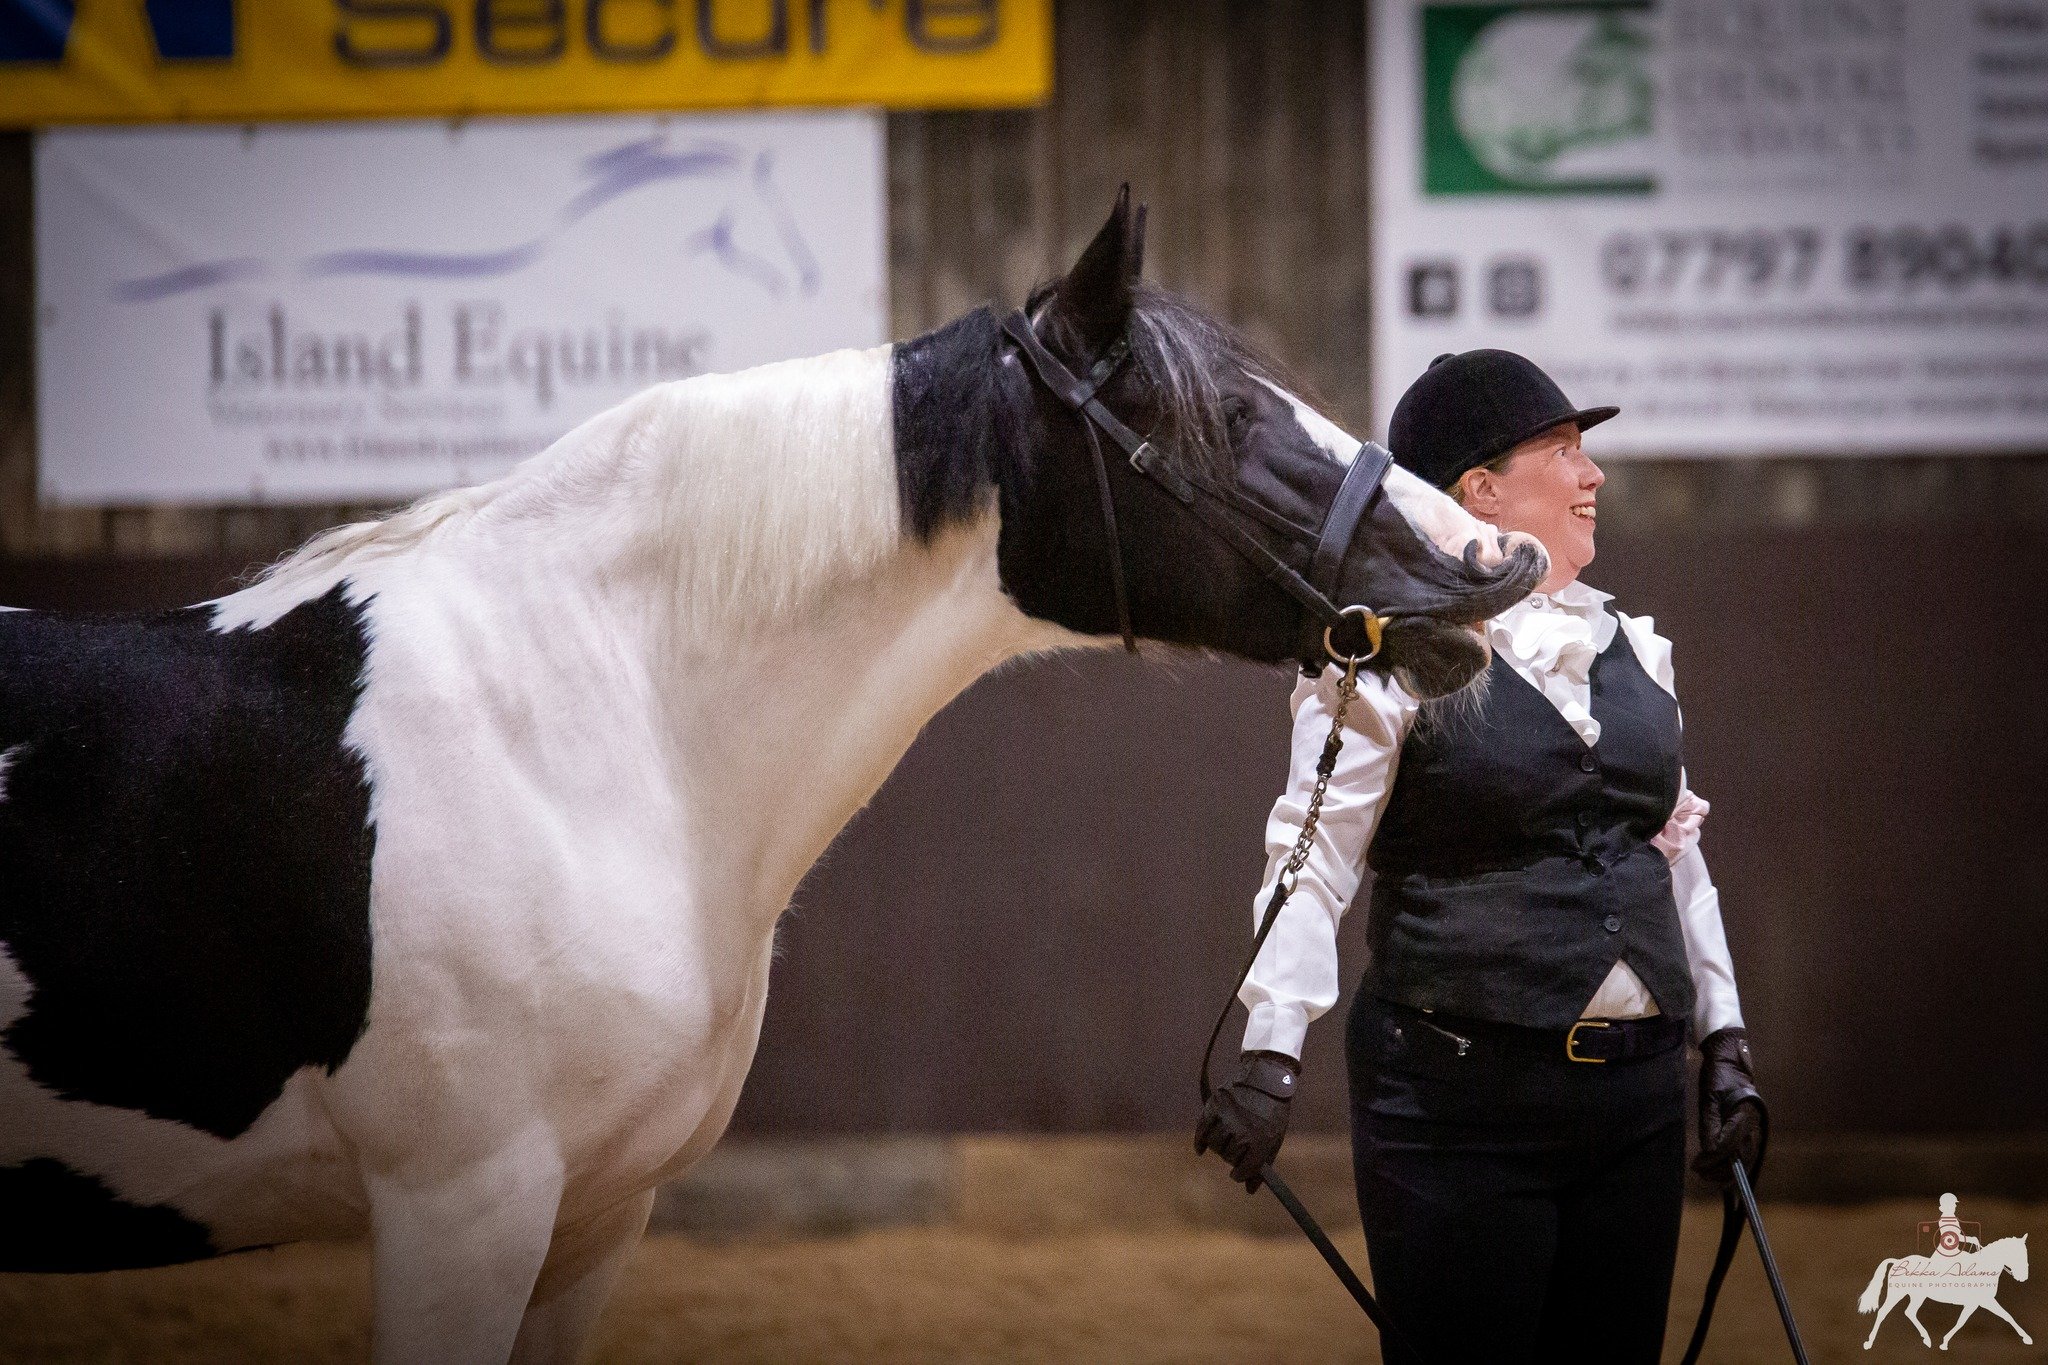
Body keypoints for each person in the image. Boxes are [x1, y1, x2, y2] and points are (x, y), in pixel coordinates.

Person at [1196, 350, 1766, 1363]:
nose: (1591, 476)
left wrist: (1723, 1042)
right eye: (1563, 451)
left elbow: (1672, 849)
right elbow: (1313, 851)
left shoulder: (1636, 650)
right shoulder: (1382, 653)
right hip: (1457, 1105)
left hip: (1634, 1103)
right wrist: (1269, 1051)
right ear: (1479, 487)